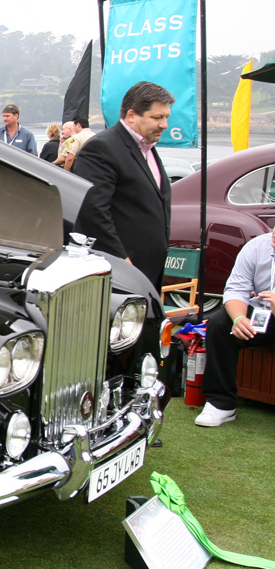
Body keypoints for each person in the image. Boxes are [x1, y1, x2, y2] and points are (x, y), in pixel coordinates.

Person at [71, 81, 174, 290]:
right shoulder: (102, 147)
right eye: (157, 117)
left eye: (166, 117)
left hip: (147, 269)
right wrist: (122, 261)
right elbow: (94, 212)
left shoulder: (147, 149)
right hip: (120, 271)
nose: (164, 124)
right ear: (132, 115)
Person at [194, 228, 275, 426]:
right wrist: (239, 318)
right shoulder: (256, 247)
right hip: (262, 313)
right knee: (220, 323)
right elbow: (236, 289)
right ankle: (221, 403)